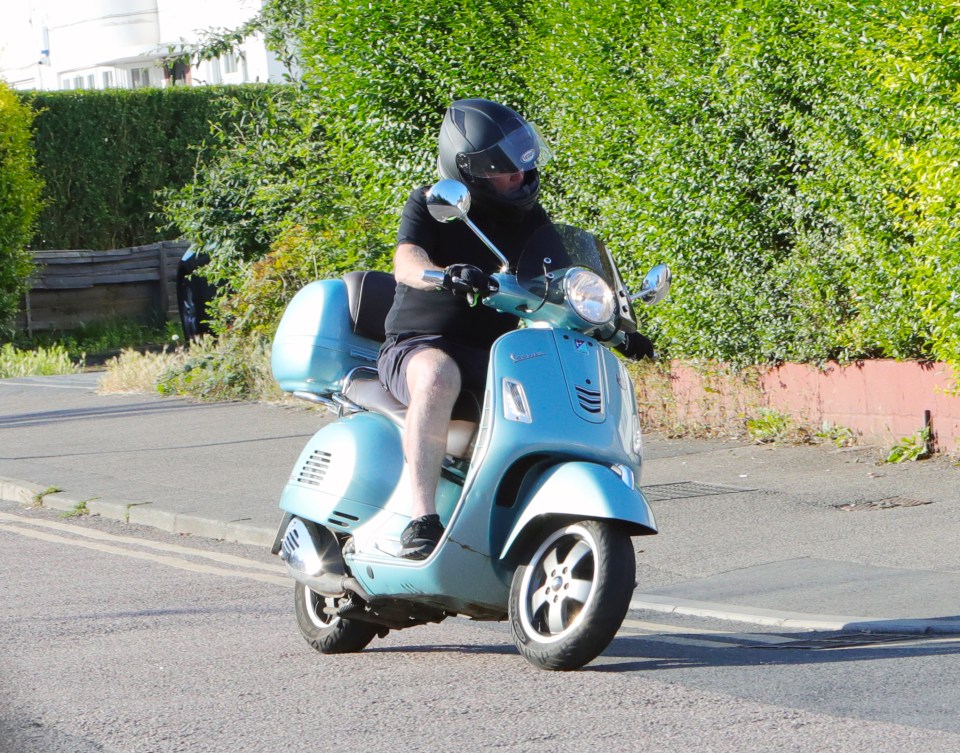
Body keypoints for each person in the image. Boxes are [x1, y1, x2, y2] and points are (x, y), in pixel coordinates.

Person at [377, 98, 553, 559]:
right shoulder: (432, 202)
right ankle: (421, 519)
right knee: (438, 375)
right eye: (503, 166)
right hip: (418, 345)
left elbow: (563, 278)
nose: (518, 174)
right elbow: (406, 260)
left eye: (520, 161)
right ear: (470, 169)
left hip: (494, 355)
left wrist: (609, 317)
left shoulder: (531, 220)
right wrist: (443, 274)